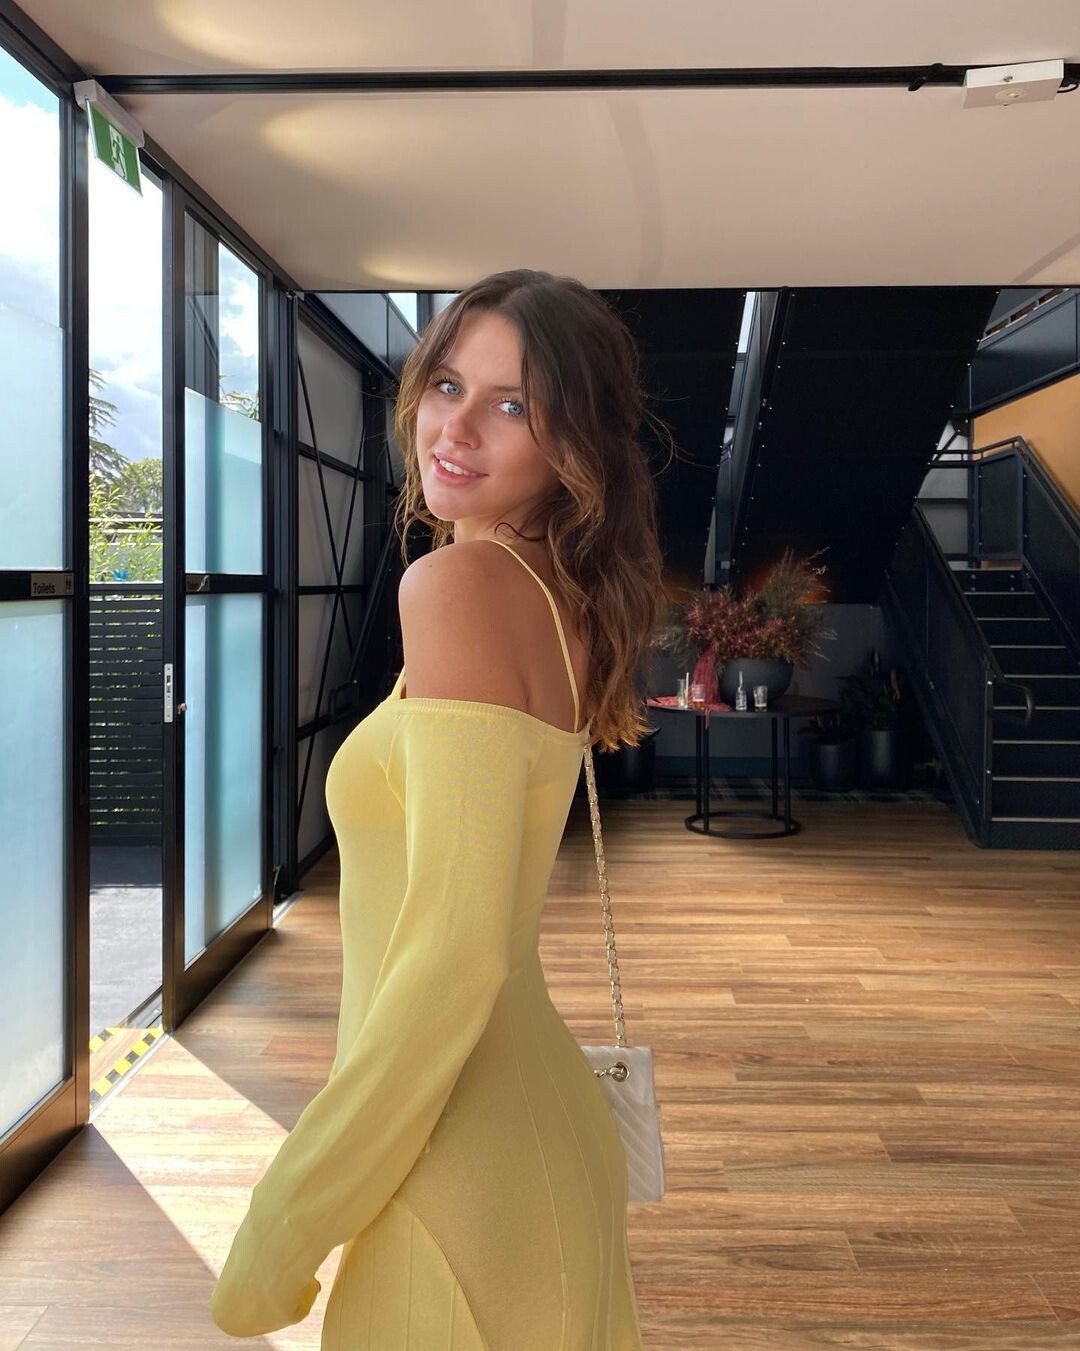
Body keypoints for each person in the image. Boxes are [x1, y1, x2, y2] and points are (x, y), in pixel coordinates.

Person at [209, 268, 668, 1346]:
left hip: (460, 1169)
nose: (455, 427)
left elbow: (456, 952)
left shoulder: (459, 587)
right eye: (449, 384)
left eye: (512, 404)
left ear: (574, 443)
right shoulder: (556, 592)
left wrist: (284, 1223)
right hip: (524, 1134)